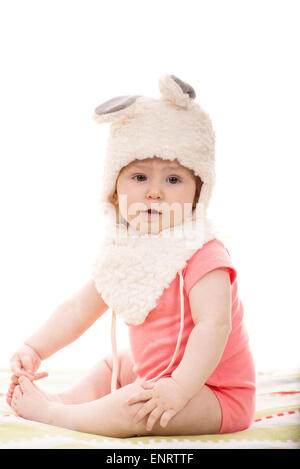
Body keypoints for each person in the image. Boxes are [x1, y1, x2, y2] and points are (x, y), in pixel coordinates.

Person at [7, 74, 256, 438]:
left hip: (213, 393)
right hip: (159, 377)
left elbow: (214, 326)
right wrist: (35, 347)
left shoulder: (204, 252)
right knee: (118, 364)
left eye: (173, 180)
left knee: (140, 403)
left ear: (198, 191)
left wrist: (180, 387)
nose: (154, 192)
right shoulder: (124, 251)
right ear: (114, 189)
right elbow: (79, 309)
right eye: (139, 177)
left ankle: (60, 416)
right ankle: (66, 401)